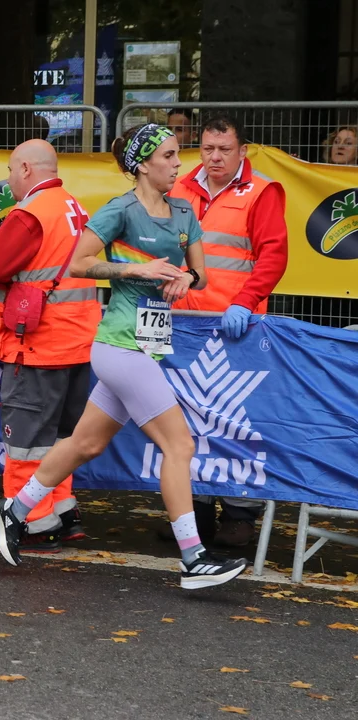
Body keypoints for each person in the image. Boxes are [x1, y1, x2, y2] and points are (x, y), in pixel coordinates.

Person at [0, 123, 249, 590]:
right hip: (119, 346)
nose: (178, 164)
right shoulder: (119, 211)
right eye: (168, 156)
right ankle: (193, 558)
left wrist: (185, 279)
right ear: (142, 165)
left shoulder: (183, 211)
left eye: (177, 155)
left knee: (85, 444)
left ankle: (15, 511)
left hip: (149, 345)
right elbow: (79, 263)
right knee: (180, 446)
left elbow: (202, 274)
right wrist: (136, 270)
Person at [0, 140, 101, 552]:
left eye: (11, 170)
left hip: (38, 345)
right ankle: (64, 512)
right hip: (77, 343)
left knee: (26, 442)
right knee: (61, 439)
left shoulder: (30, 213)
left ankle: (31, 522)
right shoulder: (74, 207)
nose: (9, 178)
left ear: (26, 169)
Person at [169, 114, 288, 547]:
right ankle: (195, 513)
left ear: (242, 151)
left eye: (224, 149)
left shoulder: (261, 192)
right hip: (183, 325)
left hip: (234, 326)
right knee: (184, 422)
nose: (215, 157)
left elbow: (273, 256)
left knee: (235, 422)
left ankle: (239, 514)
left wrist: (244, 302)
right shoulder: (180, 187)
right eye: (207, 149)